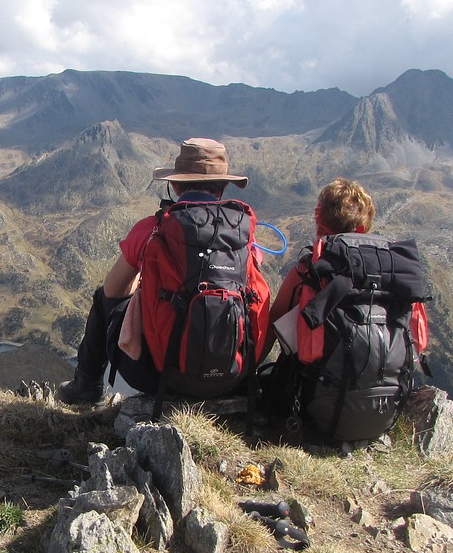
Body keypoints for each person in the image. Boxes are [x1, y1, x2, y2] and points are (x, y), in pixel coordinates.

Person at [57, 138, 251, 404]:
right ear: (225, 186)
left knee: (102, 298)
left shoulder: (154, 228)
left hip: (156, 376)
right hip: (229, 376)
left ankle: (86, 385)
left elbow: (113, 291)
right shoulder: (242, 235)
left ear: (175, 184)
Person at [265, 177, 376, 356]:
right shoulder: (390, 270)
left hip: (317, 381)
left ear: (320, 223)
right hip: (389, 381)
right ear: (362, 229)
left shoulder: (307, 273)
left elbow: (269, 332)